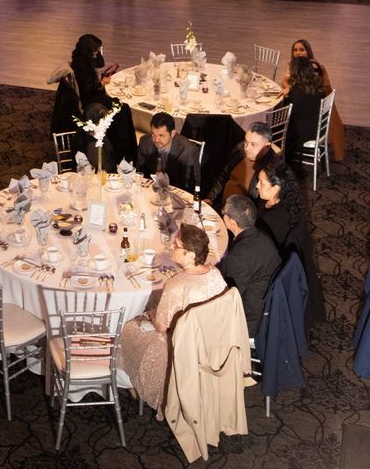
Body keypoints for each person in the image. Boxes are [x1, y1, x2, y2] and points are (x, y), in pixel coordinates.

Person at [121, 223, 227, 405]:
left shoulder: (176, 285)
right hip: (211, 342)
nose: (171, 246)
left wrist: (152, 314)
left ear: (191, 255)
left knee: (129, 328)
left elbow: (161, 328)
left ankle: (135, 382)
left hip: (180, 349)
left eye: (176, 245)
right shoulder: (215, 273)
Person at [217, 195, 279, 337]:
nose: (223, 214)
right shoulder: (261, 235)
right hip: (265, 302)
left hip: (249, 319)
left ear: (232, 222)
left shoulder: (238, 258)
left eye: (224, 212)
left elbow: (229, 299)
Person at [137, 112, 202, 194]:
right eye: (153, 134)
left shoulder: (189, 151)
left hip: (177, 195)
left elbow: (191, 187)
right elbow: (141, 174)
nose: (156, 140)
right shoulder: (145, 142)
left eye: (161, 135)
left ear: (173, 133)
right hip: (151, 191)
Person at [252, 161, 304, 262]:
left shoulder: (273, 220)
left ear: (275, 189)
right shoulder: (279, 200)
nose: (257, 186)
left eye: (261, 182)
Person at [217, 127, 279, 204]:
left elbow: (264, 202)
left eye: (253, 144)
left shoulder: (273, 166)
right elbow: (224, 175)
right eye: (246, 142)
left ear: (267, 147)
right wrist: (210, 198)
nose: (247, 148)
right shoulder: (240, 149)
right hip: (223, 204)